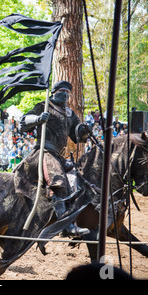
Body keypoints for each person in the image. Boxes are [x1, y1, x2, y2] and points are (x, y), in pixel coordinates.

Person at [15, 80, 92, 237]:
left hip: (59, 155)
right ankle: (65, 225)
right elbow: (23, 122)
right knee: (58, 180)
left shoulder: (70, 113)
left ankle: (72, 216)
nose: (65, 94)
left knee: (78, 179)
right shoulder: (43, 106)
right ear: (54, 92)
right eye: (62, 91)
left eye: (68, 92)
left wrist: (84, 131)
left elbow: (77, 136)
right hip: (44, 152)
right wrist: (37, 119)